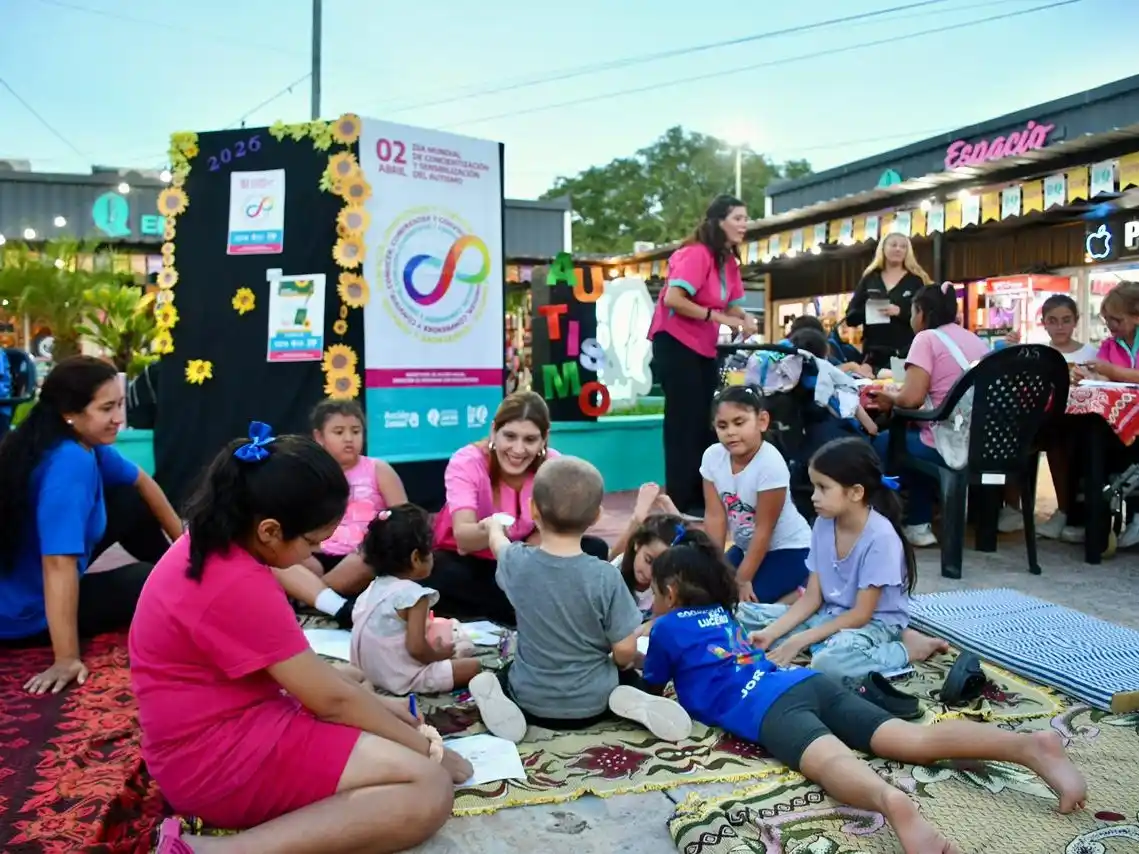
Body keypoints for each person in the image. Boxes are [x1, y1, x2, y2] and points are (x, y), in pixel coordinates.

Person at [132, 424, 471, 854]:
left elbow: (314, 682)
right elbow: (331, 701)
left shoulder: (215, 540)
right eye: (312, 542)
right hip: (216, 762)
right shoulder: (235, 582)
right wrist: (429, 749)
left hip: (222, 727)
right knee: (428, 789)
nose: (314, 554)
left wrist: (379, 713)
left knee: (356, 683)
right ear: (270, 531)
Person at [642, 530, 1088, 854]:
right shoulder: (723, 615)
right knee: (913, 740)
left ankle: (891, 801)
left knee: (834, 761)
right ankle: (1030, 746)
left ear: (671, 590)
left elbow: (647, 683)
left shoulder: (664, 628)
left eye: (653, 593)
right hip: (804, 682)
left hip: (768, 709)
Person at [467, 456, 692, 744]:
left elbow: (501, 548)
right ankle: (631, 696)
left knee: (506, 673)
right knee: (623, 674)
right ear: (597, 516)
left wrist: (494, 528)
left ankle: (497, 693)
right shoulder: (605, 576)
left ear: (534, 508)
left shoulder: (518, 562)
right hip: (594, 703)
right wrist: (620, 660)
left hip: (532, 699)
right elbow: (624, 651)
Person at [0, 356, 182, 695]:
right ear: (71, 412)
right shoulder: (68, 465)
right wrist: (66, 657)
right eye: (107, 408)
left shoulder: (79, 441)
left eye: (120, 405)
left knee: (131, 501)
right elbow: (57, 564)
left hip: (30, 582)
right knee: (148, 580)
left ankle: (188, 569)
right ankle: (185, 580)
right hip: (26, 615)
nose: (118, 418)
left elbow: (143, 483)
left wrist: (187, 548)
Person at [736, 438, 946, 678]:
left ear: (856, 492)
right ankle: (820, 642)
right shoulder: (822, 524)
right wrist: (771, 633)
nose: (814, 496)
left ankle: (906, 648)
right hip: (828, 614)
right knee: (742, 615)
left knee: (829, 664)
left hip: (871, 624)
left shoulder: (881, 537)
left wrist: (798, 640)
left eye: (823, 488)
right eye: (814, 486)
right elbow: (812, 598)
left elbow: (861, 614)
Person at [430, 391, 609, 627]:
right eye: (510, 436)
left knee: (594, 549)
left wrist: (527, 551)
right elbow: (464, 538)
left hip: (526, 559)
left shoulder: (553, 465)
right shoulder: (467, 462)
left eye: (530, 439)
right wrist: (495, 533)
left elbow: (558, 527)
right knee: (440, 572)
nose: (518, 449)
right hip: (473, 562)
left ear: (544, 438)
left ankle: (519, 610)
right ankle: (528, 611)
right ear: (494, 431)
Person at [648, 194, 760, 518]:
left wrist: (745, 318)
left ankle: (703, 493)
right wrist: (718, 318)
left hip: (703, 346)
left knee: (706, 420)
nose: (744, 224)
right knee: (684, 422)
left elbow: (730, 304)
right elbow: (673, 298)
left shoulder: (728, 262)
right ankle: (682, 500)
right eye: (738, 218)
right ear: (718, 221)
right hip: (676, 343)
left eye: (745, 218)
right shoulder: (695, 254)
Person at [868, 282, 989, 548]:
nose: (911, 319)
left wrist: (889, 397)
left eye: (912, 312)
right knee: (917, 436)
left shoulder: (926, 338)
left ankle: (879, 523)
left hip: (948, 444)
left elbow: (911, 399)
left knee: (881, 443)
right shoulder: (974, 340)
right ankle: (918, 524)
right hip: (978, 443)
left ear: (921, 312)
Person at [350, 504, 481, 695]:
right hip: (402, 679)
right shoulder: (414, 596)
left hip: (368, 672)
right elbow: (417, 648)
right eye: (430, 551)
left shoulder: (373, 587)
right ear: (416, 558)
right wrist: (438, 655)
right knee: (473, 667)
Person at [701, 385, 812, 605]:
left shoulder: (770, 463)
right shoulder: (712, 457)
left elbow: (764, 528)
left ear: (762, 421)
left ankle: (801, 595)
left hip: (789, 549)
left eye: (739, 422)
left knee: (744, 603)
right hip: (745, 548)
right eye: (722, 426)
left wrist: (743, 578)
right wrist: (714, 567)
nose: (731, 431)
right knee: (707, 591)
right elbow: (715, 517)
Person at [999, 295, 1098, 538]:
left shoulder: (1091, 353)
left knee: (1059, 441)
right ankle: (1012, 508)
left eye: (1066, 320)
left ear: (1076, 321)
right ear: (1043, 322)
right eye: (1053, 321)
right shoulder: (1038, 353)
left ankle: (1064, 511)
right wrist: (1012, 349)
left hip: (1076, 423)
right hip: (1038, 420)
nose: (1060, 326)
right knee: (1009, 434)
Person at [307, 399, 407, 574]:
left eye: (355, 431)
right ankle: (320, 593)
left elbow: (405, 520)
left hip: (362, 556)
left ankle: (318, 593)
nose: (348, 439)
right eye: (338, 432)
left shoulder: (378, 469)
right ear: (319, 437)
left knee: (369, 559)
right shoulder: (308, 474)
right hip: (317, 555)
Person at [845, 233, 933, 372]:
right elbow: (850, 317)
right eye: (893, 245)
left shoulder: (916, 281)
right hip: (873, 355)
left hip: (905, 352)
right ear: (883, 248)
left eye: (903, 246)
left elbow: (927, 317)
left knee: (899, 388)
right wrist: (871, 311)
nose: (898, 249)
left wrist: (900, 311)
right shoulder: (870, 279)